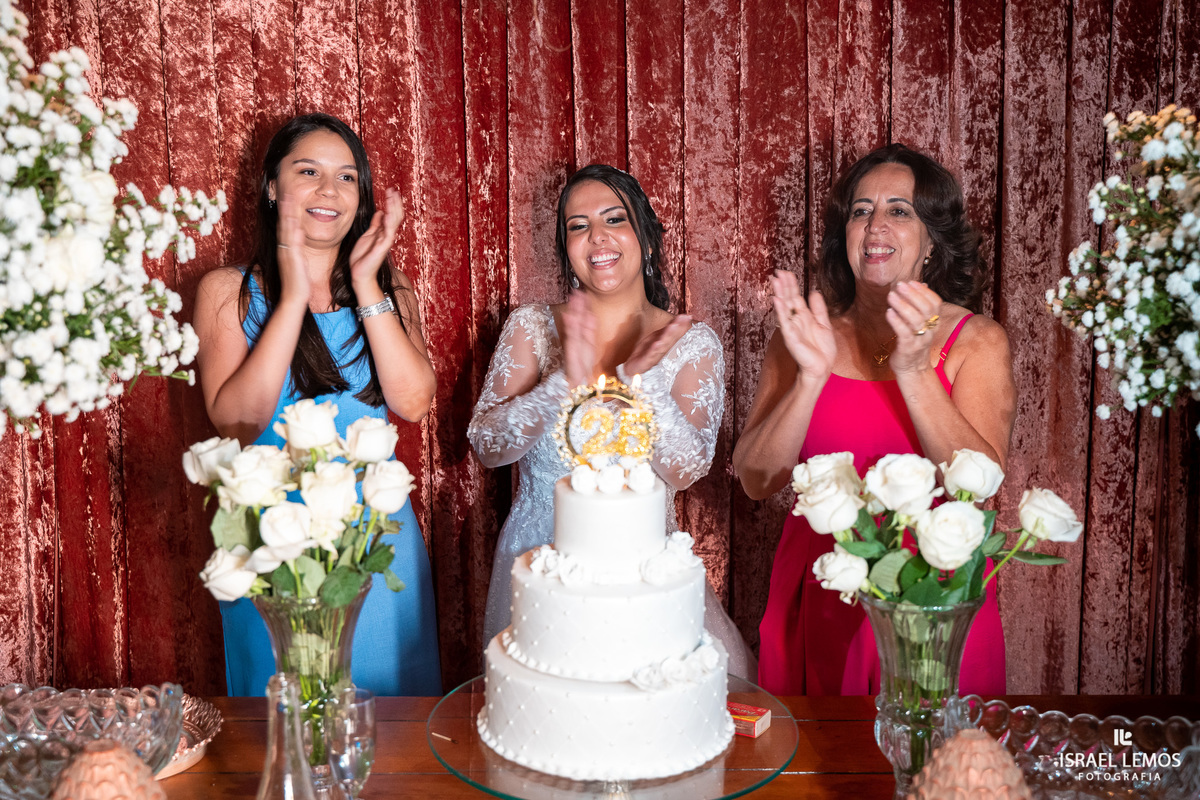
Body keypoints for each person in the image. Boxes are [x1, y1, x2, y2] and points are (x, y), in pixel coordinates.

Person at [733, 144, 1013, 696]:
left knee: (927, 775)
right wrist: (810, 378)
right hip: (819, 593)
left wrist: (914, 372)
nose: (875, 225)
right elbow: (756, 480)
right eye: (861, 211)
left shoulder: (975, 341)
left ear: (933, 241)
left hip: (930, 600)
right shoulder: (803, 338)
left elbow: (980, 489)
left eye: (899, 211)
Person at [467, 164, 755, 678]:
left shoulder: (690, 342)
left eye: (614, 219)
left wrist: (636, 384)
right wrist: (562, 385)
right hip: (537, 567)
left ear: (645, 236)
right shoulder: (532, 325)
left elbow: (686, 470)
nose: (596, 237)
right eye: (578, 226)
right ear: (566, 247)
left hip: (641, 571)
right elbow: (487, 446)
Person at [192, 113, 442, 696]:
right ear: (273, 186)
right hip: (272, 541)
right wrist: (294, 297)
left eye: (347, 178)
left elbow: (413, 402)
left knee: (388, 726)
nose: (330, 190)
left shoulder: (387, 287)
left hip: (374, 540)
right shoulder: (227, 290)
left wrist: (367, 285)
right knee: (284, 728)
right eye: (309, 171)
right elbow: (237, 419)